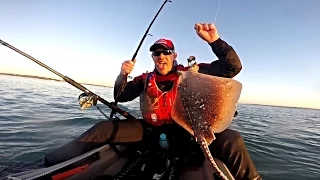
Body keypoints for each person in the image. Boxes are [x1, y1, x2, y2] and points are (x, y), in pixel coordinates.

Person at [44, 23, 261, 180]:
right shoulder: (144, 79)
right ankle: (47, 165)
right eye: (156, 53)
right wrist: (122, 75)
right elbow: (121, 96)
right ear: (153, 58)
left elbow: (232, 67)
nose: (161, 56)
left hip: (186, 131)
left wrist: (214, 41)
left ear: (174, 55)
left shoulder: (192, 73)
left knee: (232, 139)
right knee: (102, 128)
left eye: (166, 52)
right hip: (151, 130)